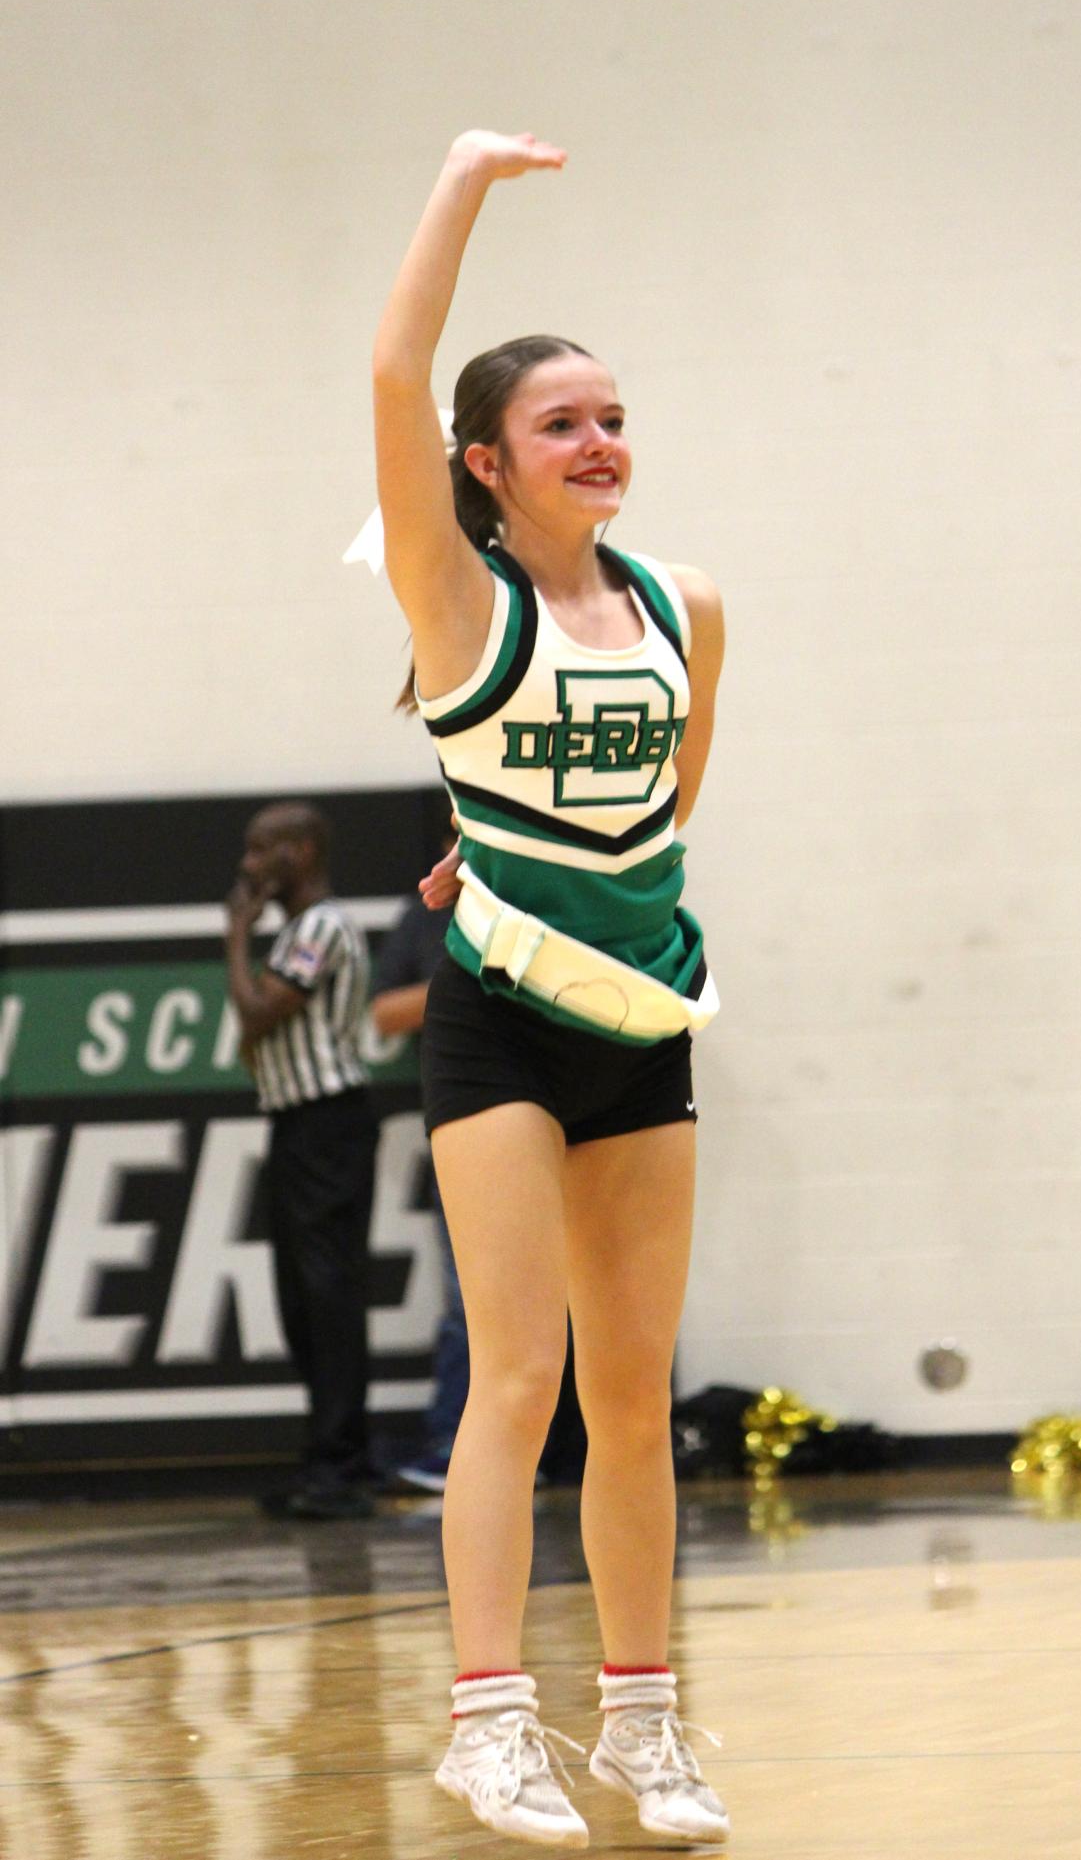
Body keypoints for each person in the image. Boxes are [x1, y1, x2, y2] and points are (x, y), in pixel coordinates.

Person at [372, 128, 729, 1846]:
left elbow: (661, 809)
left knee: (636, 1390)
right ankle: (488, 1720)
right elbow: (387, 366)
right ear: (485, 464)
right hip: (498, 1023)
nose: (599, 441)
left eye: (610, 414)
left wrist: (512, 843)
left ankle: (645, 1727)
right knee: (516, 1373)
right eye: (559, 422)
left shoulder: (686, 606)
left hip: (642, 1013)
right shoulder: (458, 597)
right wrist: (463, 181)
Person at [225, 800, 380, 1522]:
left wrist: (234, 934)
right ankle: (328, 1455)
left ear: (304, 851)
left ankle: (340, 1465)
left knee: (326, 1292)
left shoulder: (319, 928)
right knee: (301, 1294)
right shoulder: (298, 931)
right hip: (299, 1125)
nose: (252, 866)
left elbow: (260, 1013)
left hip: (328, 1122)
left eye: (265, 851)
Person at [368, 845, 470, 1492]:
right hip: (464, 1113)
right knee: (468, 1295)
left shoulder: (554, 878)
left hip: (571, 1110)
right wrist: (472, 979)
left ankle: (563, 1448)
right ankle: (458, 1442)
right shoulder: (430, 905)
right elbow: (383, 1012)